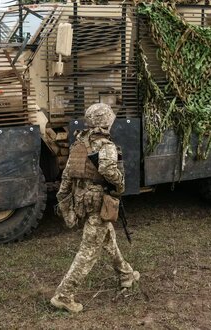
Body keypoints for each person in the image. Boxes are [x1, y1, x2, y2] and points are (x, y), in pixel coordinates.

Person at [51, 103, 139, 313]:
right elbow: (108, 169)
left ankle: (126, 274)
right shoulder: (105, 145)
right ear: (106, 121)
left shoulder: (79, 144)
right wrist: (119, 184)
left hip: (83, 200)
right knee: (89, 251)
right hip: (98, 201)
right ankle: (64, 295)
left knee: (107, 237)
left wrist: (66, 202)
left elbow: (67, 177)